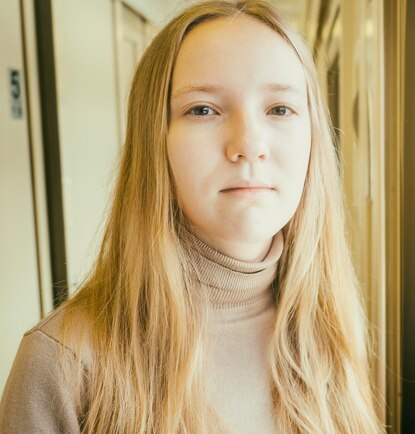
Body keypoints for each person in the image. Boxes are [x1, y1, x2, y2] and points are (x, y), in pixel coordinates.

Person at [0, 1, 382, 433]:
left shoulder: (328, 325)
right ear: (154, 142)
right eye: (203, 109)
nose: (250, 144)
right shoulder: (62, 363)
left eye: (280, 109)